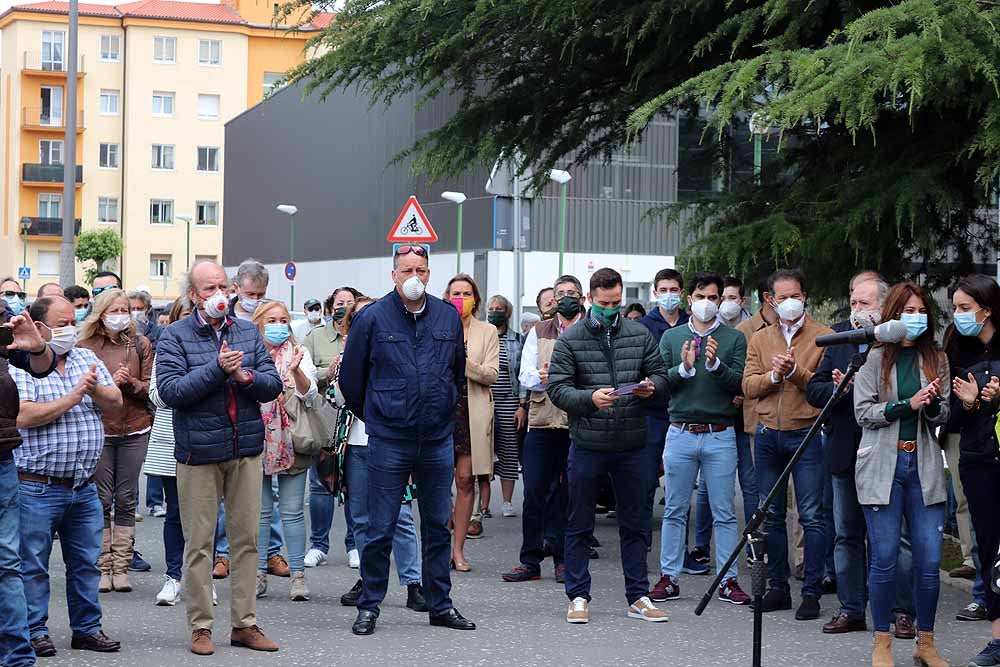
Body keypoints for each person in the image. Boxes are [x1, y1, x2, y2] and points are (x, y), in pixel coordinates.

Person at [339, 243, 474, 636]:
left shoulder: (447, 317)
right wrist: (379, 415)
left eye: (421, 269)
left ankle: (439, 604)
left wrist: (443, 411)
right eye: (406, 269)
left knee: (436, 524)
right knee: (380, 527)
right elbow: (352, 379)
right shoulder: (373, 318)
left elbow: (456, 372)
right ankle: (369, 606)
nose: (414, 276)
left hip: (436, 438)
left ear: (429, 273)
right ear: (394, 274)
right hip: (390, 438)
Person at [156, 260, 283, 656]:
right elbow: (172, 391)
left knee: (247, 540)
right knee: (200, 544)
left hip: (244, 450)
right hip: (199, 453)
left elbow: (272, 384)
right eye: (208, 290)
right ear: (193, 296)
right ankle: (200, 626)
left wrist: (245, 377)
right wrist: (216, 369)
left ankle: (245, 624)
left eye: (222, 288)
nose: (218, 297)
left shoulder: (247, 331)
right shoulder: (175, 335)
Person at [547, 267, 668, 624]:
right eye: (603, 304)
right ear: (588, 300)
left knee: (635, 522)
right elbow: (557, 388)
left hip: (632, 443)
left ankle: (638, 595)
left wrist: (652, 387)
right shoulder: (571, 339)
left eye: (616, 303)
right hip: (588, 442)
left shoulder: (639, 333)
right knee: (580, 521)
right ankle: (578, 595)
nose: (610, 309)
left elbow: (661, 375)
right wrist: (589, 398)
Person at [12, 296, 123, 656]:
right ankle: (34, 631)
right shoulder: (21, 365)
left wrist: (94, 390)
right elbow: (23, 416)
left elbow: (116, 402)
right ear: (39, 327)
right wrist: (73, 398)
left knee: (86, 564)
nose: (69, 329)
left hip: (83, 486)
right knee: (32, 566)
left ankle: (87, 629)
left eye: (73, 321)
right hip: (37, 486)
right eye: (61, 322)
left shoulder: (86, 359)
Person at [854, 281, 950, 667]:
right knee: (885, 559)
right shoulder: (876, 357)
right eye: (907, 311)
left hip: (923, 465)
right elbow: (864, 412)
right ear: (893, 316)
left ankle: (925, 643)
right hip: (882, 465)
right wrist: (904, 405)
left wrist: (929, 405)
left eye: (920, 310)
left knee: (928, 563)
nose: (915, 317)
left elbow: (943, 414)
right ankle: (882, 642)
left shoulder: (936, 357)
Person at [650, 272, 750, 606]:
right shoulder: (672, 338)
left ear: (721, 300)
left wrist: (715, 364)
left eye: (713, 297)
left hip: (719, 434)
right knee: (675, 508)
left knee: (724, 511)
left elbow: (740, 384)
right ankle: (669, 576)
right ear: (689, 299)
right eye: (700, 296)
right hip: (680, 431)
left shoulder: (733, 339)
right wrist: (686, 368)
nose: (706, 303)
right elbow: (661, 382)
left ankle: (728, 579)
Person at [742, 269, 832, 620]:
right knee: (771, 514)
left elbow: (824, 389)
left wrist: (796, 373)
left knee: (811, 515)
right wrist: (775, 376)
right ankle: (777, 587)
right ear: (771, 300)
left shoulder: (824, 337)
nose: (789, 301)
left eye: (795, 294)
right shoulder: (760, 339)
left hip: (806, 432)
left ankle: (811, 591)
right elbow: (748, 386)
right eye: (782, 297)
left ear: (805, 295)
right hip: (767, 434)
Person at [807, 275, 889, 634]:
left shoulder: (896, 339)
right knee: (846, 534)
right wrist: (841, 389)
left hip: (885, 451)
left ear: (884, 307)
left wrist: (868, 389)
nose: (857, 311)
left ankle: (899, 612)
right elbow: (815, 388)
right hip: (844, 449)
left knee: (890, 538)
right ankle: (851, 607)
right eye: (854, 303)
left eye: (865, 304)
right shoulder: (839, 335)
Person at [337, 297, 427, 613]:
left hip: (390, 443)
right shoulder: (344, 356)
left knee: (399, 516)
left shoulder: (397, 352)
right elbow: (337, 397)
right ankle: (368, 578)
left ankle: (413, 583)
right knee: (360, 518)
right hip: (355, 444)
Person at [502, 275, 586, 584]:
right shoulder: (539, 330)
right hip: (541, 420)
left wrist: (564, 377)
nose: (565, 297)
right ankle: (530, 560)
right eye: (560, 292)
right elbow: (524, 376)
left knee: (568, 494)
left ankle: (564, 559)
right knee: (535, 490)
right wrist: (544, 376)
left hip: (577, 422)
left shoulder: (591, 330)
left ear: (582, 298)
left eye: (571, 293)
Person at [77, 289, 153, 594]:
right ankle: (102, 565)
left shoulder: (141, 344)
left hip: (135, 428)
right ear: (101, 313)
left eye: (125, 310)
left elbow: (152, 389)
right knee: (101, 499)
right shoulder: (85, 346)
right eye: (115, 310)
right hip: (100, 430)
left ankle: (121, 566)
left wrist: (130, 382)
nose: (121, 315)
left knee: (126, 498)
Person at [217, 259, 287, 580]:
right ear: (236, 289)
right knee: (225, 492)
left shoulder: (268, 320)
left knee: (263, 489)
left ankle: (271, 551)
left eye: (261, 294)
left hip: (265, 411)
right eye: (250, 293)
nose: (256, 300)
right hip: (229, 413)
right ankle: (222, 552)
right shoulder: (224, 319)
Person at [0, 292, 57, 667]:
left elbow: (40, 365)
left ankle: (17, 656)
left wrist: (38, 348)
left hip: (2, 457)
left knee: (7, 561)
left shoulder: (3, 323)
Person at [947, 275, 1000, 667]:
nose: (959, 315)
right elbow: (949, 419)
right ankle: (997, 641)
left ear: (988, 308)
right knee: (990, 549)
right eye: (955, 308)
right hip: (977, 461)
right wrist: (967, 405)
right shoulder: (957, 350)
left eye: (965, 308)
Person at [251, 300, 318, 602]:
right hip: (256, 440)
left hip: (293, 439)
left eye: (283, 320)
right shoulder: (248, 354)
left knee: (292, 511)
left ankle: (298, 576)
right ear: (259, 324)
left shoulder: (299, 354)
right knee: (261, 513)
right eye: (271, 320)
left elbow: (310, 395)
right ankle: (258, 573)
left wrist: (295, 372)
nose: (278, 325)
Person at [638, 269, 699, 565]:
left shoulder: (693, 323)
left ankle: (680, 553)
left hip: (685, 411)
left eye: (674, 288)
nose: (669, 294)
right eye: (663, 289)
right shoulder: (643, 326)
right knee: (647, 481)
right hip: (652, 413)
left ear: (683, 292)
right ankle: (643, 547)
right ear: (655, 291)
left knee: (680, 487)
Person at [142, 297, 196, 607]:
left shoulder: (218, 347)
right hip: (170, 442)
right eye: (186, 315)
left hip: (207, 442)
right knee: (175, 515)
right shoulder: (166, 350)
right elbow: (158, 396)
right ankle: (173, 577)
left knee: (205, 517)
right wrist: (197, 386)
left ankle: (201, 580)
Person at [303, 286, 361, 569]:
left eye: (351, 302)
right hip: (325, 420)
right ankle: (318, 544)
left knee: (353, 485)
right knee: (320, 484)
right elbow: (305, 374)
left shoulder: (364, 334)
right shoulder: (316, 337)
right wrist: (333, 369)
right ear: (330, 307)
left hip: (357, 423)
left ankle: (354, 545)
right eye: (340, 302)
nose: (345, 307)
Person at [445, 274, 499, 567]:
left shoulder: (487, 331)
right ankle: (439, 546)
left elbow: (492, 374)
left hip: (471, 409)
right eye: (456, 293)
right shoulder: (436, 325)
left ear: (475, 299)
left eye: (467, 293)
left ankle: (458, 550)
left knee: (466, 480)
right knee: (438, 482)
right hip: (439, 411)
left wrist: (461, 361)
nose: (461, 298)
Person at [486, 294, 524, 518]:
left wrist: (522, 405)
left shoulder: (518, 340)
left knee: (509, 451)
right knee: (483, 453)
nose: (494, 312)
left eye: (498, 308)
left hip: (509, 401)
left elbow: (521, 375)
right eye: (491, 308)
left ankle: (507, 502)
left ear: (507, 312)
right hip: (485, 401)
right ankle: (482, 504)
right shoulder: (482, 337)